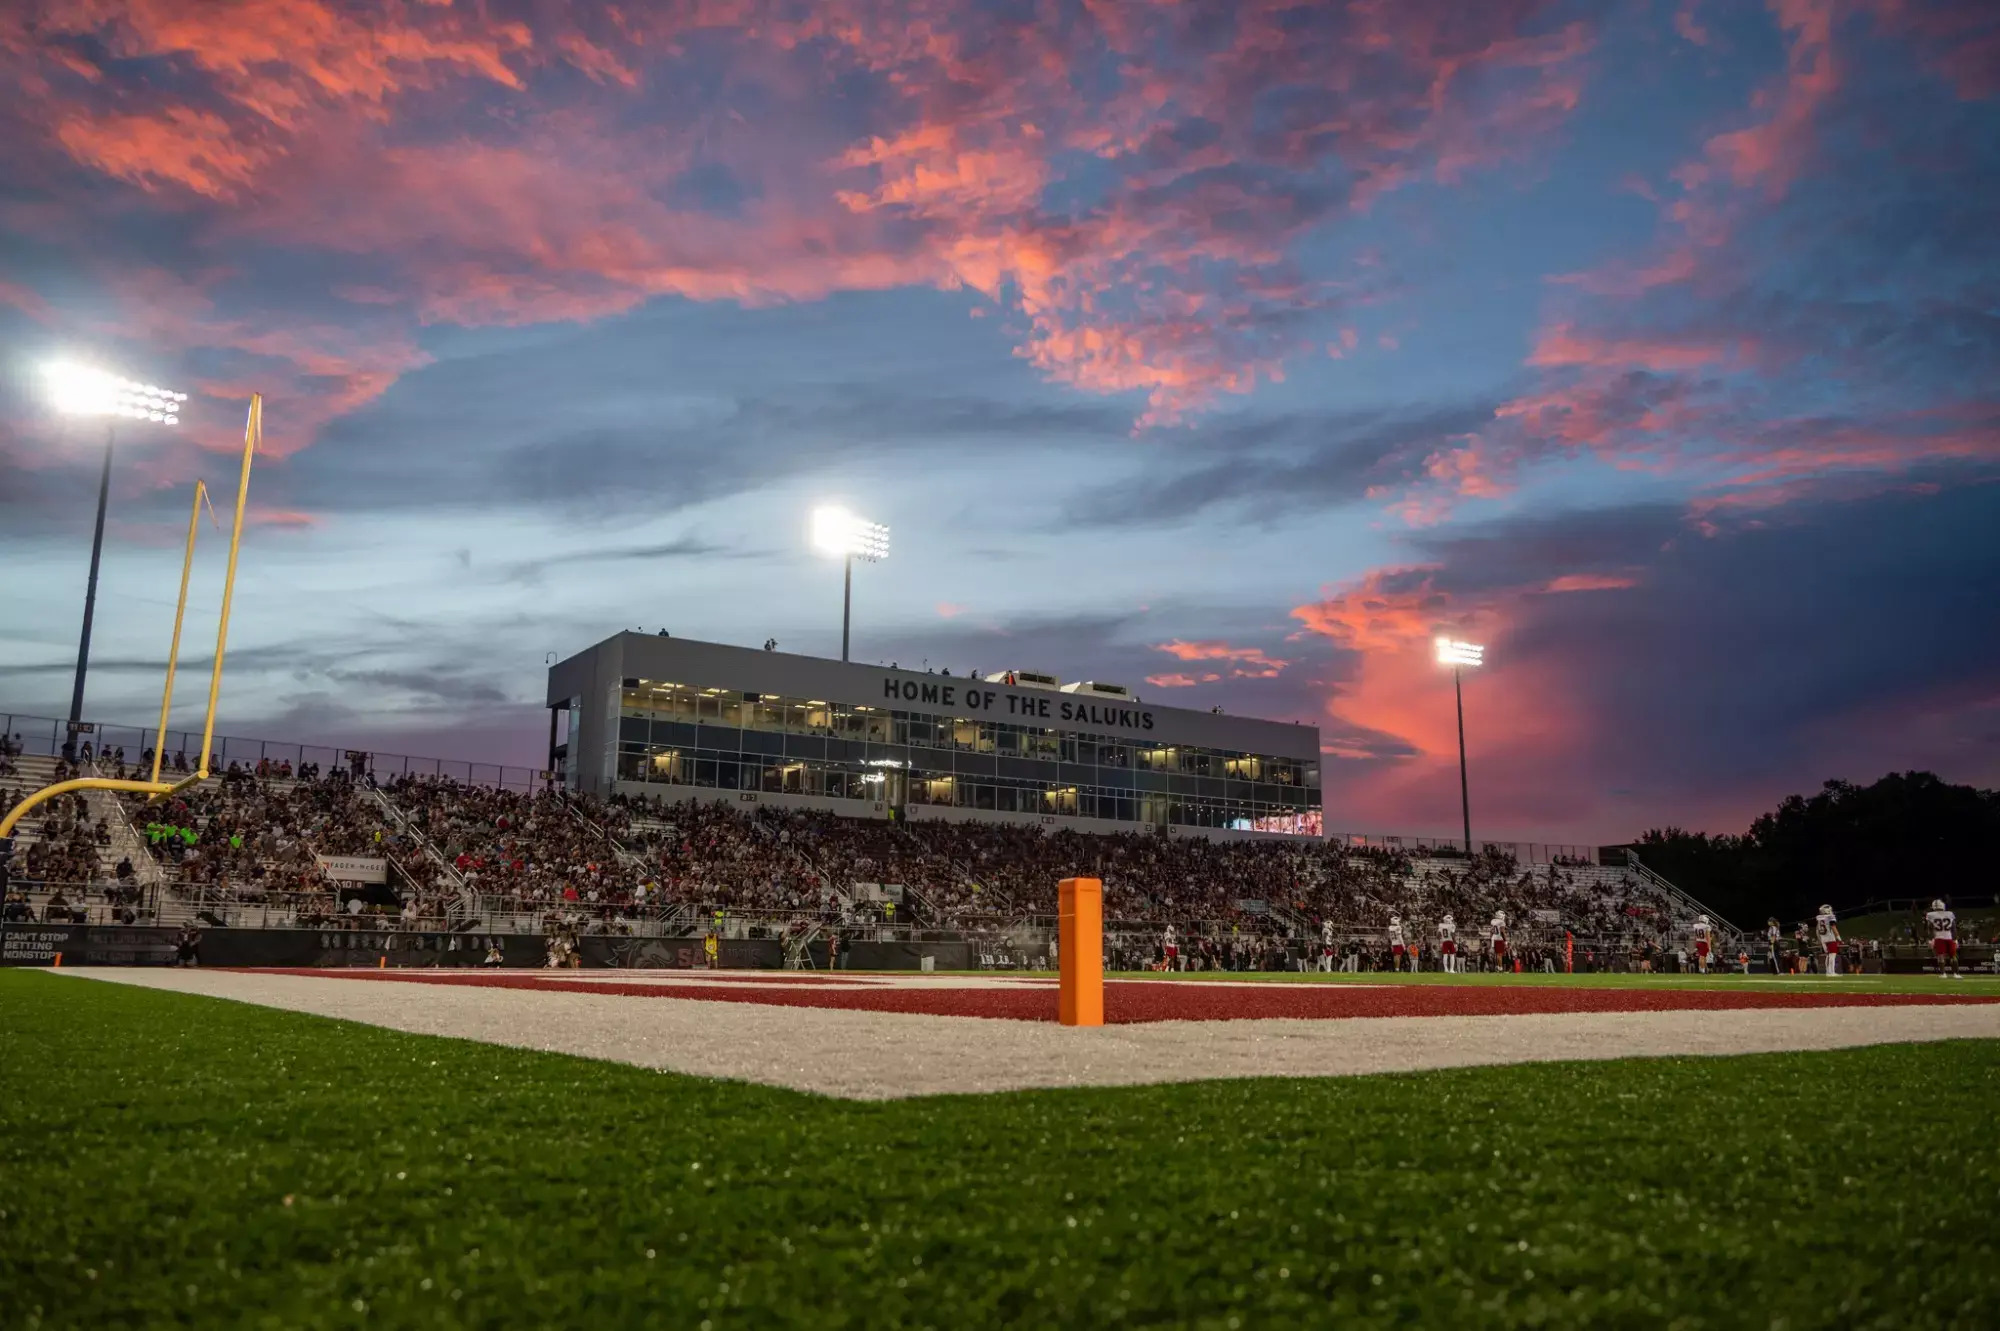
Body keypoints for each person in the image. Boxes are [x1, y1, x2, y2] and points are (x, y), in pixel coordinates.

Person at [1925, 899, 1960, 978]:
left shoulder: (1930, 914)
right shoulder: (1950, 913)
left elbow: (1929, 928)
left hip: (1938, 937)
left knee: (1940, 956)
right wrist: (1955, 939)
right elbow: (1954, 928)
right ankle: (1956, 974)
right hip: (1949, 937)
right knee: (1953, 956)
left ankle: (1943, 974)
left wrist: (1931, 939)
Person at [1814, 904, 1842, 976]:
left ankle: (1828, 972)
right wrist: (1839, 937)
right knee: (1832, 955)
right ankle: (1831, 972)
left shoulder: (1819, 918)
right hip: (1830, 938)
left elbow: (1817, 930)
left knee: (1828, 955)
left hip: (1823, 939)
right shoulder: (1830, 917)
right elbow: (1833, 927)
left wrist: (1819, 939)